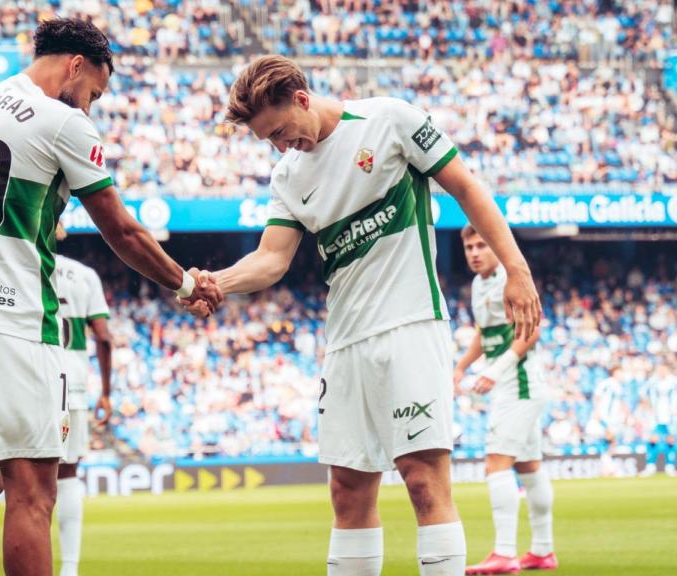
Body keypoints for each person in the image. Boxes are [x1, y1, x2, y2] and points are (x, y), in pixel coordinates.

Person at [182, 56, 541, 576]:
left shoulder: (389, 119)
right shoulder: (289, 174)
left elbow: (466, 187)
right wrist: (218, 282)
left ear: (302, 99)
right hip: (346, 341)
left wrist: (517, 269)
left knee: (423, 480)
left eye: (280, 131)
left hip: (411, 325)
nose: (280, 146)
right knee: (347, 491)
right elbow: (273, 257)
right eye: (268, 140)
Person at [0, 17, 220, 576]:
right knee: (32, 496)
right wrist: (185, 282)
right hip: (19, 322)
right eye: (94, 93)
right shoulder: (61, 122)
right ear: (77, 64)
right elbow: (121, 230)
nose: (91, 107)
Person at [454, 224, 557, 574]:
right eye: (469, 247)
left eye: (482, 245)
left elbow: (533, 329)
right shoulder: (479, 285)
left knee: (496, 463)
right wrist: (461, 367)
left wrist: (494, 372)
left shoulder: (508, 279)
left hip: (520, 383)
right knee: (528, 467)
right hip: (513, 385)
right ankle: (543, 551)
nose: (475, 253)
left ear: (498, 247)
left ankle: (504, 553)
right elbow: (485, 334)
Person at [55, 224, 113, 576]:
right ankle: (69, 568)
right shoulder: (84, 275)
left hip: (27, 378)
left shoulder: (18, 266)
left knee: (14, 474)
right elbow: (104, 337)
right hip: (72, 382)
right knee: (68, 472)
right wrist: (106, 391)